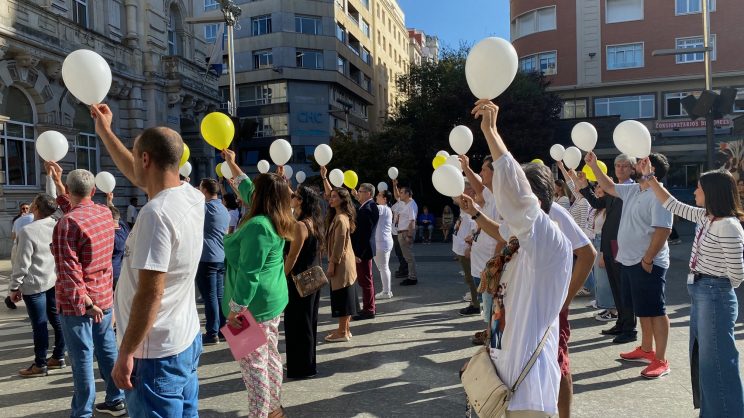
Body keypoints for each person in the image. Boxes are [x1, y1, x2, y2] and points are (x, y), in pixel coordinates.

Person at [460, 100, 572, 417]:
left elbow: (518, 200)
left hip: (527, 396)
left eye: (505, 195)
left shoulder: (549, 242)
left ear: (533, 203)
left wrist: (492, 133)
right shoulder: (516, 248)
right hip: (500, 386)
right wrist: (487, 358)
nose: (501, 202)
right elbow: (501, 314)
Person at [91, 104, 204, 417]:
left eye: (136, 152)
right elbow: (137, 172)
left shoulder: (157, 214)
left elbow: (150, 292)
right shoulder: (190, 194)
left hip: (153, 355)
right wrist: (105, 132)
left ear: (146, 159)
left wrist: (126, 352)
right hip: (182, 339)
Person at [644, 164, 744, 416]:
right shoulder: (706, 216)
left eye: (699, 188)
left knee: (717, 361)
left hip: (715, 293)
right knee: (703, 358)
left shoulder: (728, 226)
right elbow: (673, 205)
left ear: (712, 193)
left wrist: (715, 285)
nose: (695, 192)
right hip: (701, 291)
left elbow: (738, 274)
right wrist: (650, 178)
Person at [46, 161, 126, 417]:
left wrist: (86, 304)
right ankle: (117, 398)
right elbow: (77, 210)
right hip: (103, 295)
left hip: (78, 304)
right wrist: (60, 184)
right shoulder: (103, 213)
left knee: (81, 358)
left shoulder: (66, 225)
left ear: (70, 190)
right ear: (94, 192)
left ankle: (82, 412)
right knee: (107, 349)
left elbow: (69, 273)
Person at [586, 150, 673, 379]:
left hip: (648, 263)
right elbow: (609, 186)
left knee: (656, 310)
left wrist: (647, 259)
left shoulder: (660, 196)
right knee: (643, 308)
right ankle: (645, 348)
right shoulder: (634, 189)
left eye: (645, 162)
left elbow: (663, 230)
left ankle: (661, 360)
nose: (639, 163)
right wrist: (594, 166)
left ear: (653, 170)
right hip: (630, 261)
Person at [220, 150, 293, 418]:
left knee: (254, 365)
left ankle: (260, 413)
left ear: (261, 197)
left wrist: (235, 310)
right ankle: (274, 408)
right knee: (270, 356)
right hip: (272, 300)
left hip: (253, 306)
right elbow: (250, 189)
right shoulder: (278, 214)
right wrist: (232, 164)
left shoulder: (258, 226)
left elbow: (249, 273)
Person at [579, 154, 638, 342]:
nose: (620, 169)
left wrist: (594, 166)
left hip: (623, 244)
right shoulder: (615, 190)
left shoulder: (630, 188)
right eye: (617, 165)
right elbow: (598, 203)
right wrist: (584, 187)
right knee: (616, 286)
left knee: (624, 287)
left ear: (632, 169)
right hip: (611, 244)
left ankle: (629, 329)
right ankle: (621, 322)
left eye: (624, 166)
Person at [9, 193, 66, 377]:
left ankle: (40, 364)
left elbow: (22, 263)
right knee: (56, 320)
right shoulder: (56, 224)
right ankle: (58, 356)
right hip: (52, 279)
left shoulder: (28, 230)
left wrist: (14, 287)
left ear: (35, 208)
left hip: (34, 284)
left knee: (39, 325)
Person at [284, 184, 324, 379]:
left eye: (294, 195)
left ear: (300, 201)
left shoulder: (301, 226)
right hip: (312, 279)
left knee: (298, 324)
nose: (291, 197)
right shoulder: (313, 221)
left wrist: (281, 274)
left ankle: (301, 367)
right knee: (308, 323)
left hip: (299, 281)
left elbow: (292, 257)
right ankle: (308, 365)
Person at [461, 154, 499, 343]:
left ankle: (494, 338)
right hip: (484, 261)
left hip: (493, 261)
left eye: (484, 169)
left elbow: (503, 236)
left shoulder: (502, 198)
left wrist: (496, 262)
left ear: (496, 172)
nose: (481, 172)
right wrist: (466, 168)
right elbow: (479, 187)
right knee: (488, 301)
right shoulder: (491, 194)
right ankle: (490, 333)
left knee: (494, 302)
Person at [196, 178, 230, 345]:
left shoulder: (204, 208)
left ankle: (212, 332)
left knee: (210, 297)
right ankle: (223, 329)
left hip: (206, 257)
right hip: (220, 256)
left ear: (205, 191)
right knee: (219, 296)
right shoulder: (223, 209)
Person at [325, 187, 359, 342]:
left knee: (342, 297)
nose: (330, 199)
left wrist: (332, 263)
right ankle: (345, 329)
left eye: (334, 197)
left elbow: (339, 244)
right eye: (330, 196)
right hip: (346, 262)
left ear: (342, 200)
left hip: (341, 264)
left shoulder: (340, 218)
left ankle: (342, 332)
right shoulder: (342, 216)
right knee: (346, 296)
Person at [350, 183, 380, 320]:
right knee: (367, 280)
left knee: (365, 281)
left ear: (368, 193)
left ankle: (369, 309)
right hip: (365, 249)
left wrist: (358, 254)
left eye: (361, 191)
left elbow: (364, 235)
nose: (358, 193)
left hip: (363, 251)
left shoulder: (366, 209)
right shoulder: (369, 206)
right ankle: (369, 307)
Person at [453, 179, 479, 316]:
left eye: (462, 189)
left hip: (466, 248)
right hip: (461, 248)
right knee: (469, 278)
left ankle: (475, 304)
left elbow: (476, 228)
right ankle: (475, 302)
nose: (459, 194)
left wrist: (470, 246)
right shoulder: (465, 208)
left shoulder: (473, 207)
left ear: (469, 191)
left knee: (471, 278)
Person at [6, 202, 34, 310]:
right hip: (21, 248)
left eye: (27, 208)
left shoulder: (17, 220)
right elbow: (13, 236)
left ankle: (10, 296)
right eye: (23, 209)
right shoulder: (20, 219)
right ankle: (12, 295)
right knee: (19, 273)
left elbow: (13, 236)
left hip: (18, 248)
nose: (25, 210)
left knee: (18, 272)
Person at [392, 182, 418, 285]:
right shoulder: (406, 204)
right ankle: (410, 276)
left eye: (402, 192)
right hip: (402, 232)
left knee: (409, 257)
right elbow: (396, 196)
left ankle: (412, 278)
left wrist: (409, 235)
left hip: (405, 233)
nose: (400, 194)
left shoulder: (411, 205)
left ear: (407, 194)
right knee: (407, 257)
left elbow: (412, 221)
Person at [373, 189, 394, 299]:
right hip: (385, 242)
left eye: (379, 195)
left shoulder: (381, 208)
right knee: (384, 267)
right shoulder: (388, 209)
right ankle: (387, 291)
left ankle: (386, 292)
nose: (376, 196)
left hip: (381, 243)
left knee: (383, 268)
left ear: (385, 199)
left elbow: (370, 209)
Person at [107, 196, 130, 291]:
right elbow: (114, 215)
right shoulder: (124, 227)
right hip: (121, 271)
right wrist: (109, 201)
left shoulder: (112, 237)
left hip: (112, 274)